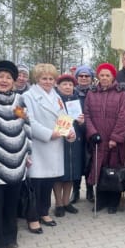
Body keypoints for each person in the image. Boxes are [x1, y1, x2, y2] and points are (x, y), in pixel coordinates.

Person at [23, 63, 76, 234]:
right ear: (37, 79)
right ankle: (32, 218)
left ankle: (44, 212)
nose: (47, 81)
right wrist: (49, 134)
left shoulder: (56, 96)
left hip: (55, 145)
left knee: (48, 183)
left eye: (51, 78)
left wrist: (70, 132)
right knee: (36, 184)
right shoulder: (28, 96)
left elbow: (64, 117)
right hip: (39, 145)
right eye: (44, 78)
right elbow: (29, 121)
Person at [0, 61, 31, 248]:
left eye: (8, 77)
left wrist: (28, 153)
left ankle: (9, 237)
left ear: (13, 81)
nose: (4, 81)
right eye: (0, 76)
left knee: (11, 205)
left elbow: (26, 125)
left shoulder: (18, 101)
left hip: (18, 162)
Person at [84, 63, 125, 214]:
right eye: (102, 75)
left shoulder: (120, 93)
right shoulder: (92, 93)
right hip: (98, 139)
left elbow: (124, 116)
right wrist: (92, 133)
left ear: (112, 77)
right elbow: (87, 114)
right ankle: (101, 199)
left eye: (107, 75)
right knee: (99, 169)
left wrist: (115, 137)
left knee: (114, 170)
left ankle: (113, 201)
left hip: (114, 141)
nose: (104, 78)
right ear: (98, 76)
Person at [53, 74, 84, 217]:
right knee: (59, 173)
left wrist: (82, 122)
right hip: (59, 140)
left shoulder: (78, 101)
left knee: (71, 173)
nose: (67, 87)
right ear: (58, 86)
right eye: (64, 84)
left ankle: (66, 202)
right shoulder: (54, 101)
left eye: (70, 84)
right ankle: (58, 203)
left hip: (74, 140)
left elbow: (84, 123)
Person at [71, 65, 96, 203]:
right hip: (75, 131)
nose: (84, 78)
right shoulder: (72, 93)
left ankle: (90, 190)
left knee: (90, 161)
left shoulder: (95, 92)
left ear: (91, 78)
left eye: (87, 76)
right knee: (76, 162)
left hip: (91, 131)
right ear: (77, 78)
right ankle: (75, 191)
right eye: (81, 76)